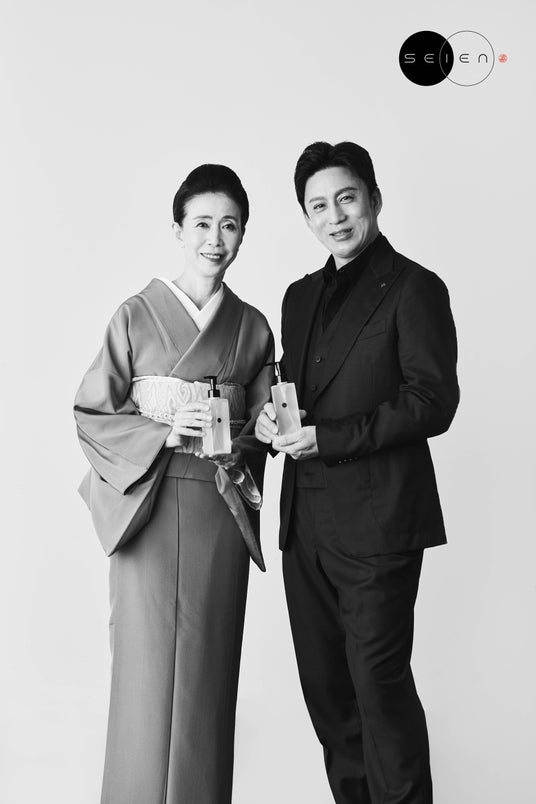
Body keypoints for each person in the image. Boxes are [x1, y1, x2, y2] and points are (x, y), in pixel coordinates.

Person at [255, 141, 459, 804]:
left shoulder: (415, 287)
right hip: (305, 526)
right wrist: (270, 419)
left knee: (379, 690)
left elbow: (433, 402)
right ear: (306, 217)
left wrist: (331, 438)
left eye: (346, 199)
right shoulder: (299, 297)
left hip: (379, 525)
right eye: (318, 206)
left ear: (374, 198)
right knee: (329, 696)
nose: (335, 216)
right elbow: (293, 389)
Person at [74, 164, 274, 804]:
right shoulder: (135, 315)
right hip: (148, 505)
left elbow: (262, 429)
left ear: (242, 234)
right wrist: (162, 433)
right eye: (202, 224)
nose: (215, 239)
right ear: (178, 230)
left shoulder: (252, 327)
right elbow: (93, 413)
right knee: (143, 669)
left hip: (218, 506)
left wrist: (246, 434)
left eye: (229, 225)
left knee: (207, 674)